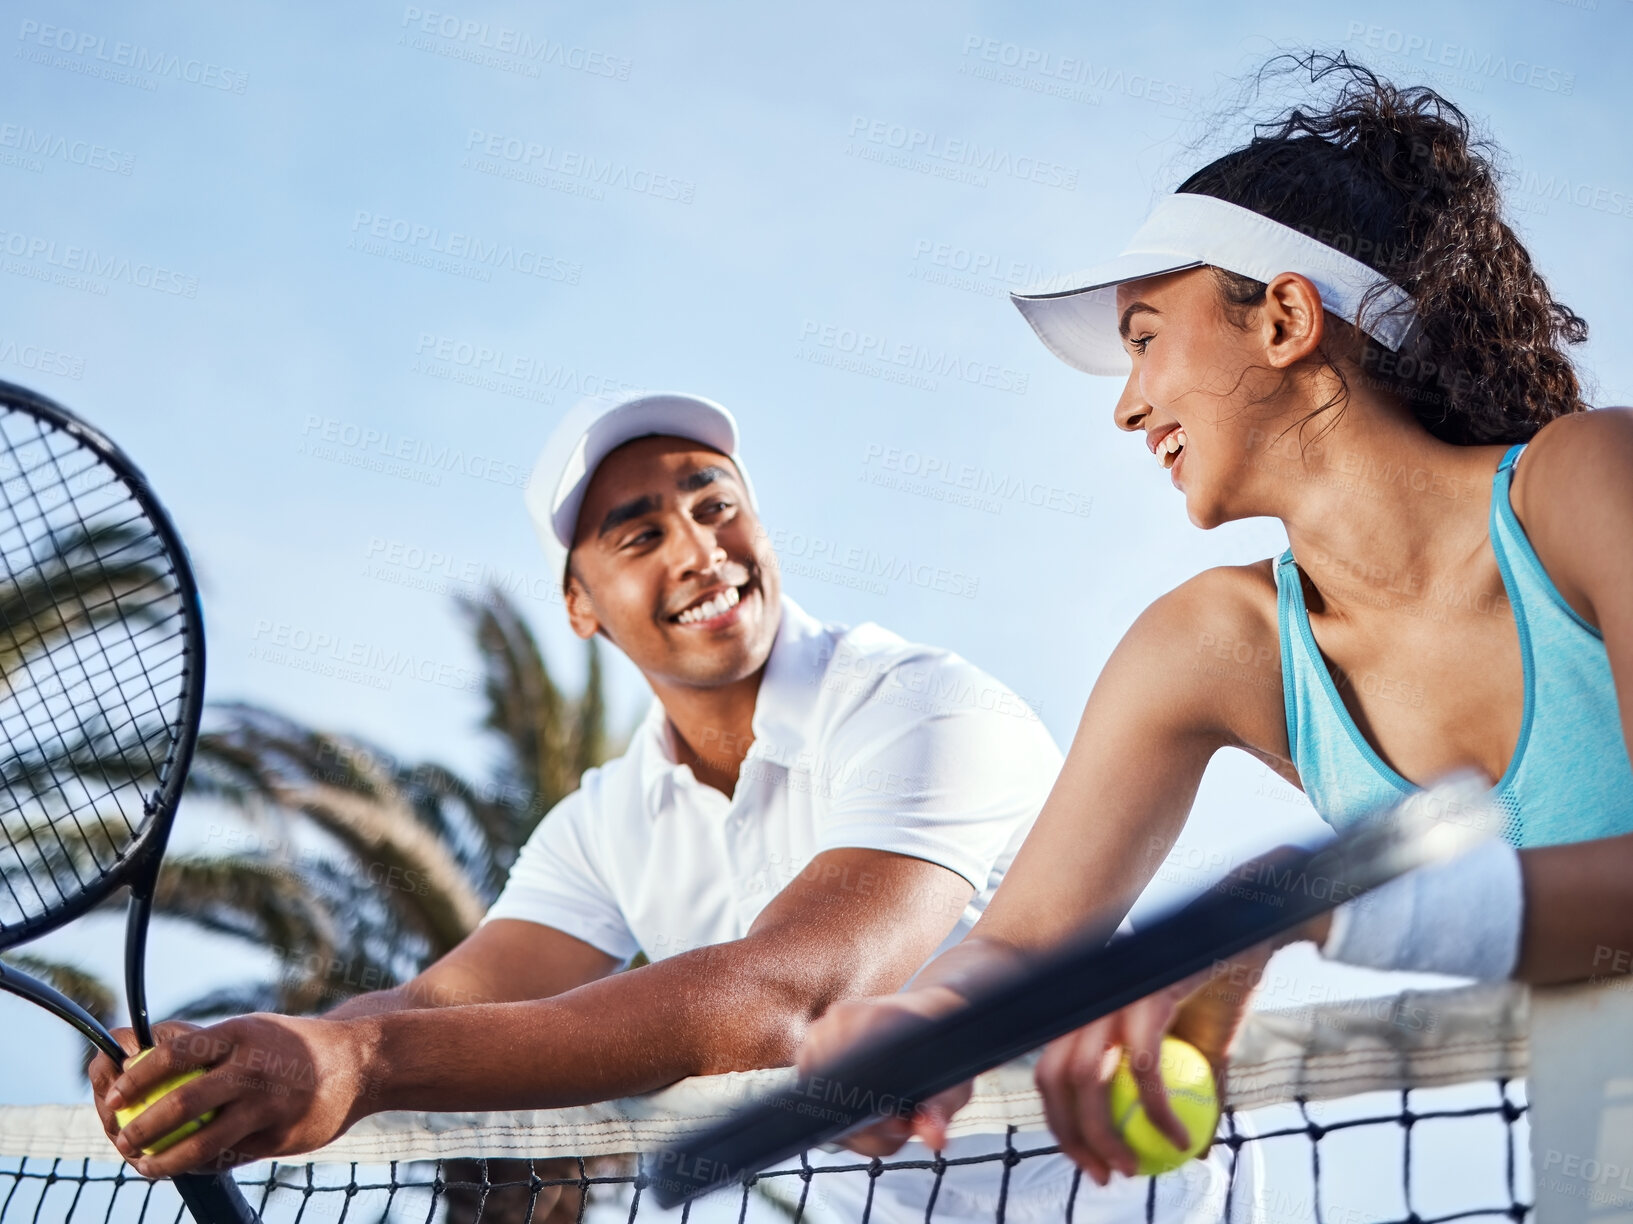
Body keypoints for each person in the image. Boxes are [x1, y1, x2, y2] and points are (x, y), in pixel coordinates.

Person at [797, 55, 1633, 1191]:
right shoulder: (1214, 644)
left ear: (1286, 315)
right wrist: (923, 1020)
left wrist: (1305, 903)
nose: (1127, 403)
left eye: (1145, 335)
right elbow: (1028, 943)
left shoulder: (1592, 480)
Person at [91, 391, 1213, 1221]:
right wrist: (224, 1063)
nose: (698, 549)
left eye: (716, 504)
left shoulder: (920, 706)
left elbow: (786, 997)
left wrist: (364, 1066)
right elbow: (447, 997)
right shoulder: (604, 817)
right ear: (580, 605)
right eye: (638, 534)